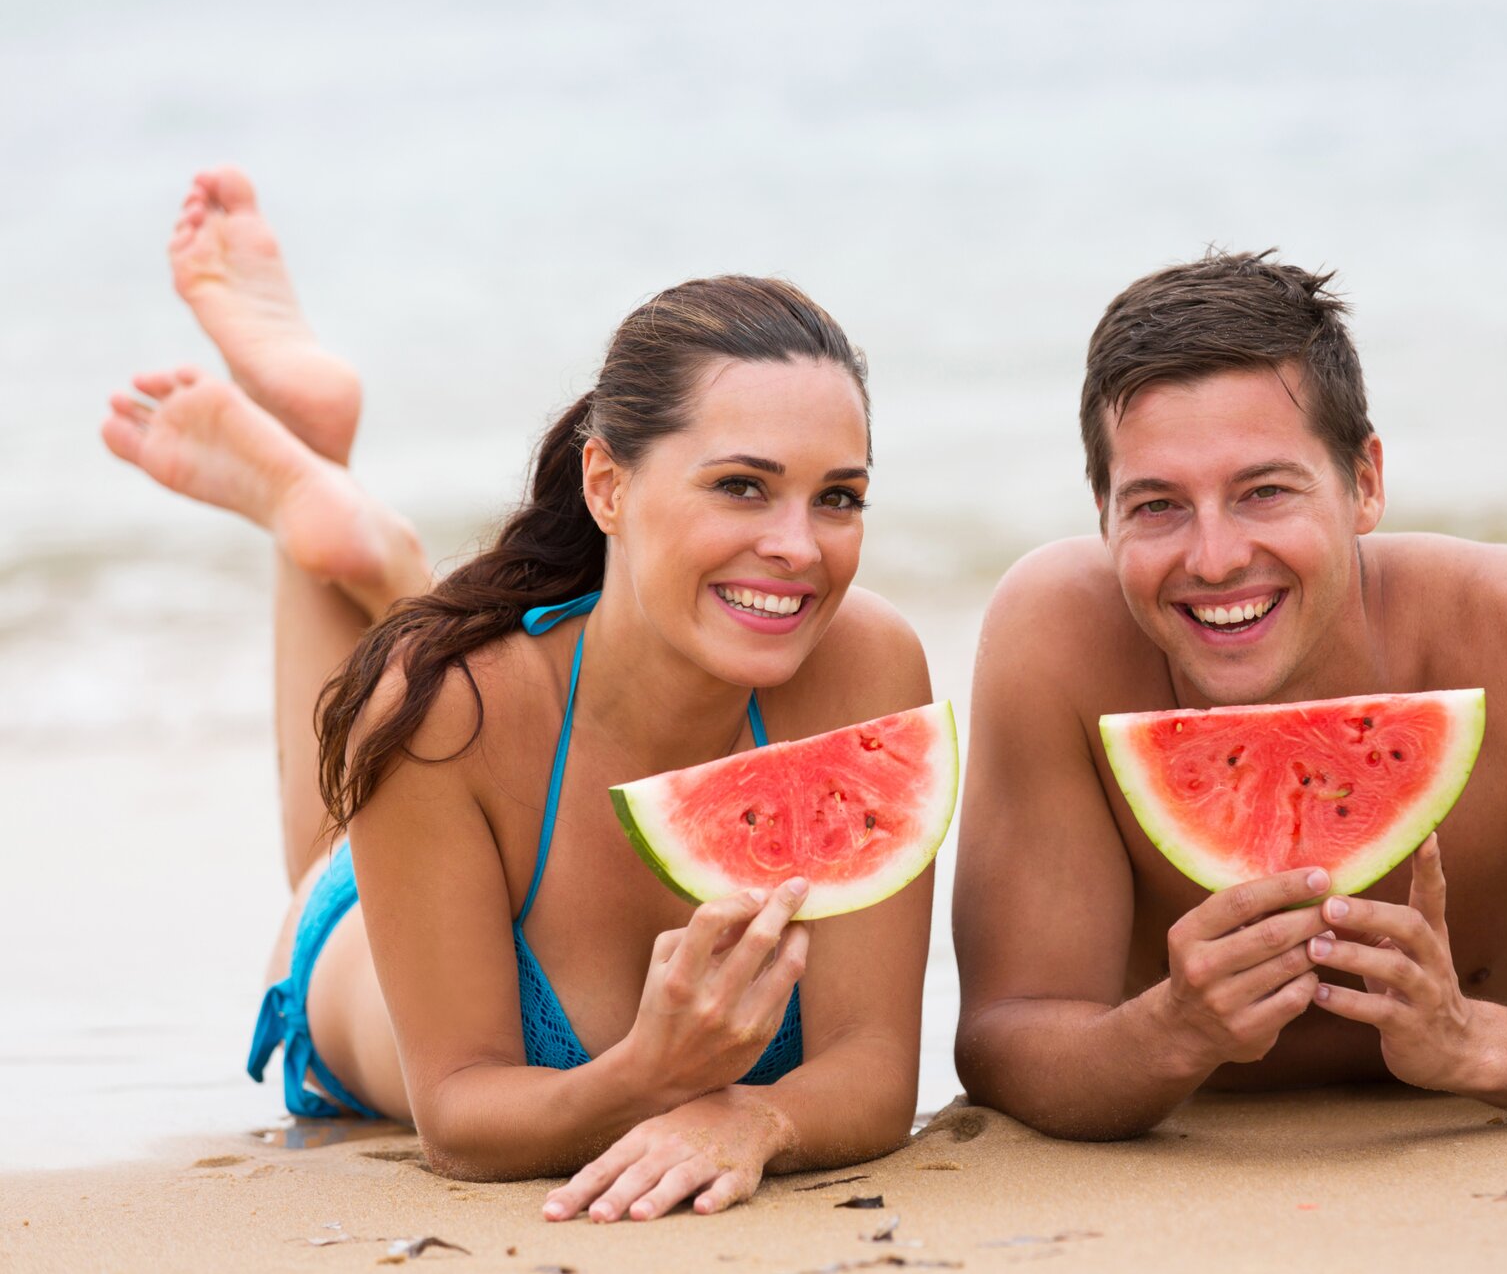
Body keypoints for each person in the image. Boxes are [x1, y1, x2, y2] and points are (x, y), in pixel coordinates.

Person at [101, 170, 935, 1219]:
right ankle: (319, 488)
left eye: (840, 498)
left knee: (410, 701)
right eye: (741, 485)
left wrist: (755, 1114)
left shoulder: (869, 668)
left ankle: (341, 506)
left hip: (482, 732)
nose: (799, 547)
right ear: (607, 486)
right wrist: (648, 1078)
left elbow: (873, 1069)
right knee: (335, 836)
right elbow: (456, 1114)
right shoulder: (452, 711)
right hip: (388, 918)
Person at [952, 250, 1507, 1139]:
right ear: (1102, 513)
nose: (1213, 559)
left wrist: (1474, 1044)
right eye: (1157, 505)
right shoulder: (1054, 640)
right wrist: (1169, 1033)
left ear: (1365, 482)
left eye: (1265, 491)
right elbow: (1005, 1037)